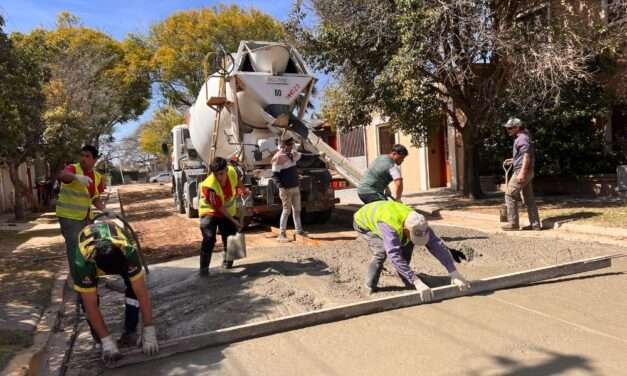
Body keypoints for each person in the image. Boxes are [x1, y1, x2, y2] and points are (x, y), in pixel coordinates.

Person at [73, 220, 158, 365]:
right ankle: (103, 341)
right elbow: (91, 306)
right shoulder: (83, 263)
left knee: (133, 289)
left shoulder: (128, 252)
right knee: (85, 302)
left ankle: (130, 331)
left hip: (118, 249)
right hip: (89, 255)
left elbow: (142, 294)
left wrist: (149, 330)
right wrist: (106, 340)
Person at [353, 200, 471, 300]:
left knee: (408, 243)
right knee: (382, 252)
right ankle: (369, 286)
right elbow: (393, 255)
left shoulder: (419, 222)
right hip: (364, 222)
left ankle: (405, 276)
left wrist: (454, 272)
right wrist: (417, 282)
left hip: (390, 216)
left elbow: (437, 245)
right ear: (405, 229)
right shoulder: (390, 226)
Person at [56, 145, 107, 278]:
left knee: (89, 248)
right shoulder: (73, 169)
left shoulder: (97, 177)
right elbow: (63, 175)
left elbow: (95, 198)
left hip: (86, 218)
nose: (83, 159)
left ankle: (89, 278)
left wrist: (105, 210)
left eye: (87, 156)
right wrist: (76, 177)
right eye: (82, 155)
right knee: (75, 251)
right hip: (69, 218)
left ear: (95, 160)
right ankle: (80, 284)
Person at [198, 157, 248, 274]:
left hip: (227, 210)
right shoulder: (208, 186)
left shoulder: (231, 171)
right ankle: (204, 269)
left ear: (226, 170)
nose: (219, 178)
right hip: (210, 211)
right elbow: (219, 207)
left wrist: (243, 190)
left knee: (231, 234)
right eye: (216, 175)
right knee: (209, 238)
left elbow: (237, 180)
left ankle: (228, 262)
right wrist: (234, 221)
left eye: (221, 174)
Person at [502, 118, 541, 231]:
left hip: (521, 171)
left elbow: (526, 156)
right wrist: (513, 160)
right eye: (507, 128)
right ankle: (535, 224)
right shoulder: (524, 137)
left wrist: (522, 173)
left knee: (510, 195)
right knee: (529, 198)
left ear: (517, 128)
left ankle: (513, 223)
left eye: (510, 128)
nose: (508, 130)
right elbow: (522, 155)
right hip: (526, 170)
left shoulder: (522, 138)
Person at [272, 136, 305, 241]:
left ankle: (299, 230)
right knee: (286, 211)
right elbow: (275, 175)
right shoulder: (278, 157)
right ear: (284, 145)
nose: (292, 146)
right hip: (285, 189)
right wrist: (280, 187)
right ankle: (282, 233)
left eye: (292, 144)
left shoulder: (292, 155)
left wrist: (319, 155)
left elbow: (304, 156)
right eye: (290, 145)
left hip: (295, 187)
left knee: (297, 210)